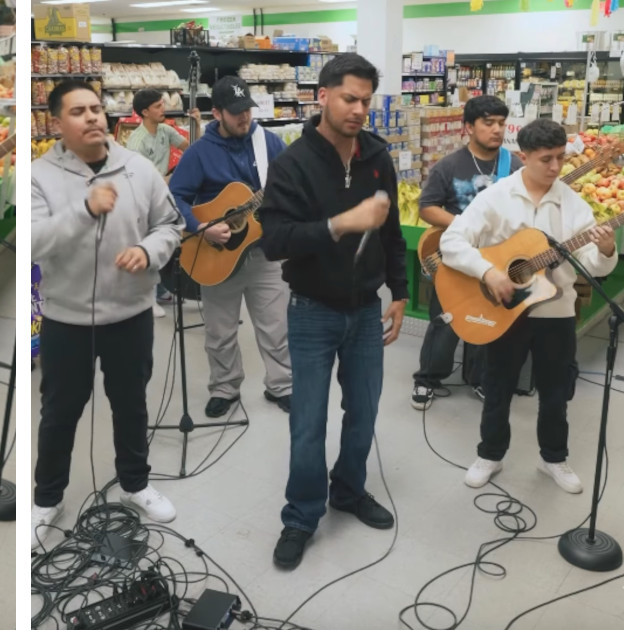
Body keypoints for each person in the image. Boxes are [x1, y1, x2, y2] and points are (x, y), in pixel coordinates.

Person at [259, 53, 406, 570]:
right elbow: (273, 241)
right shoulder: (293, 163)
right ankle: (300, 516)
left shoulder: (376, 157)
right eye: (349, 98)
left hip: (366, 310)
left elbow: (390, 234)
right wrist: (342, 222)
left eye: (366, 100)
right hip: (311, 311)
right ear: (322, 96)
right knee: (308, 422)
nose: (359, 110)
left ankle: (348, 489)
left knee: (363, 413)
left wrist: (400, 292)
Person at [31, 80, 184, 550]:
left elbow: (170, 225)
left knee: (131, 403)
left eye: (97, 108)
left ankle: (135, 482)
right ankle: (47, 496)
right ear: (58, 123)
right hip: (67, 320)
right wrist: (83, 207)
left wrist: (148, 250)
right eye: (79, 111)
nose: (94, 117)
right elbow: (35, 242)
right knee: (60, 411)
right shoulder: (39, 174)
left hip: (131, 314)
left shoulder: (138, 169)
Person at [440, 118, 617, 494]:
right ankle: (490, 454)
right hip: (504, 311)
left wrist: (605, 250)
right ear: (524, 157)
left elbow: (595, 265)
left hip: (556, 313)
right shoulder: (496, 197)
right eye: (546, 160)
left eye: (559, 159)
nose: (555, 168)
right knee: (498, 385)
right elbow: (452, 242)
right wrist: (489, 272)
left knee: (556, 391)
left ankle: (553, 457)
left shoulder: (572, 204)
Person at [168, 76, 293, 418]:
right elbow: (174, 196)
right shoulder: (199, 153)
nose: (244, 118)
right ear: (217, 114)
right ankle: (225, 387)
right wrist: (200, 227)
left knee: (276, 326)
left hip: (265, 253)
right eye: (236, 113)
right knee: (220, 332)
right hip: (216, 257)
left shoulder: (268, 143)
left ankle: (281, 385)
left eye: (247, 111)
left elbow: (292, 184)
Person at [411, 95, 521, 410]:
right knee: (445, 320)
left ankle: (480, 378)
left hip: (496, 259)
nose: (496, 129)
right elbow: (427, 208)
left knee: (487, 317)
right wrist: (463, 224)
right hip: (457, 258)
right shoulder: (449, 165)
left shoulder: (513, 165)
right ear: (469, 127)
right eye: (488, 123)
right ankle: (427, 378)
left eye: (501, 123)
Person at [126, 88, 197, 318]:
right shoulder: (137, 141)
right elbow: (142, 178)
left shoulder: (165, 130)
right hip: (143, 197)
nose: (163, 109)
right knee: (149, 244)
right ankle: (147, 298)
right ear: (145, 112)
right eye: (157, 106)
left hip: (165, 193)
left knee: (168, 242)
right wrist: (174, 177)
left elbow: (193, 149)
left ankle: (163, 289)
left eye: (162, 104)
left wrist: (197, 124)